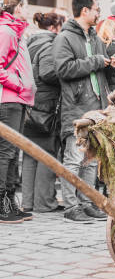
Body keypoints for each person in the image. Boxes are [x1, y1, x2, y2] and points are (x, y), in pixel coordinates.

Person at [54, 0, 115, 223]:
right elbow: (63, 69)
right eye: (97, 9)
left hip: (97, 108)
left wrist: (111, 65)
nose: (99, 13)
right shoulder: (65, 38)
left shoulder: (95, 37)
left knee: (90, 160)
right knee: (73, 159)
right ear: (85, 11)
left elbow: (99, 69)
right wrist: (96, 61)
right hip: (76, 107)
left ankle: (87, 202)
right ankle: (71, 207)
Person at [21, 12, 65, 214]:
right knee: (47, 153)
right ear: (54, 28)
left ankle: (28, 202)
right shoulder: (49, 43)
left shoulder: (30, 42)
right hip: (46, 105)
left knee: (30, 154)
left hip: (30, 104)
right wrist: (66, 73)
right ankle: (45, 202)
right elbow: (48, 72)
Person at [0, 0, 36, 224]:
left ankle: (11, 200)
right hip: (9, 99)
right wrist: (19, 85)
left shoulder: (17, 31)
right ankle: (2, 203)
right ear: (18, 8)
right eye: (26, 6)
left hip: (18, 100)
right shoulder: (7, 31)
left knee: (14, 154)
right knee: (6, 153)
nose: (28, 10)